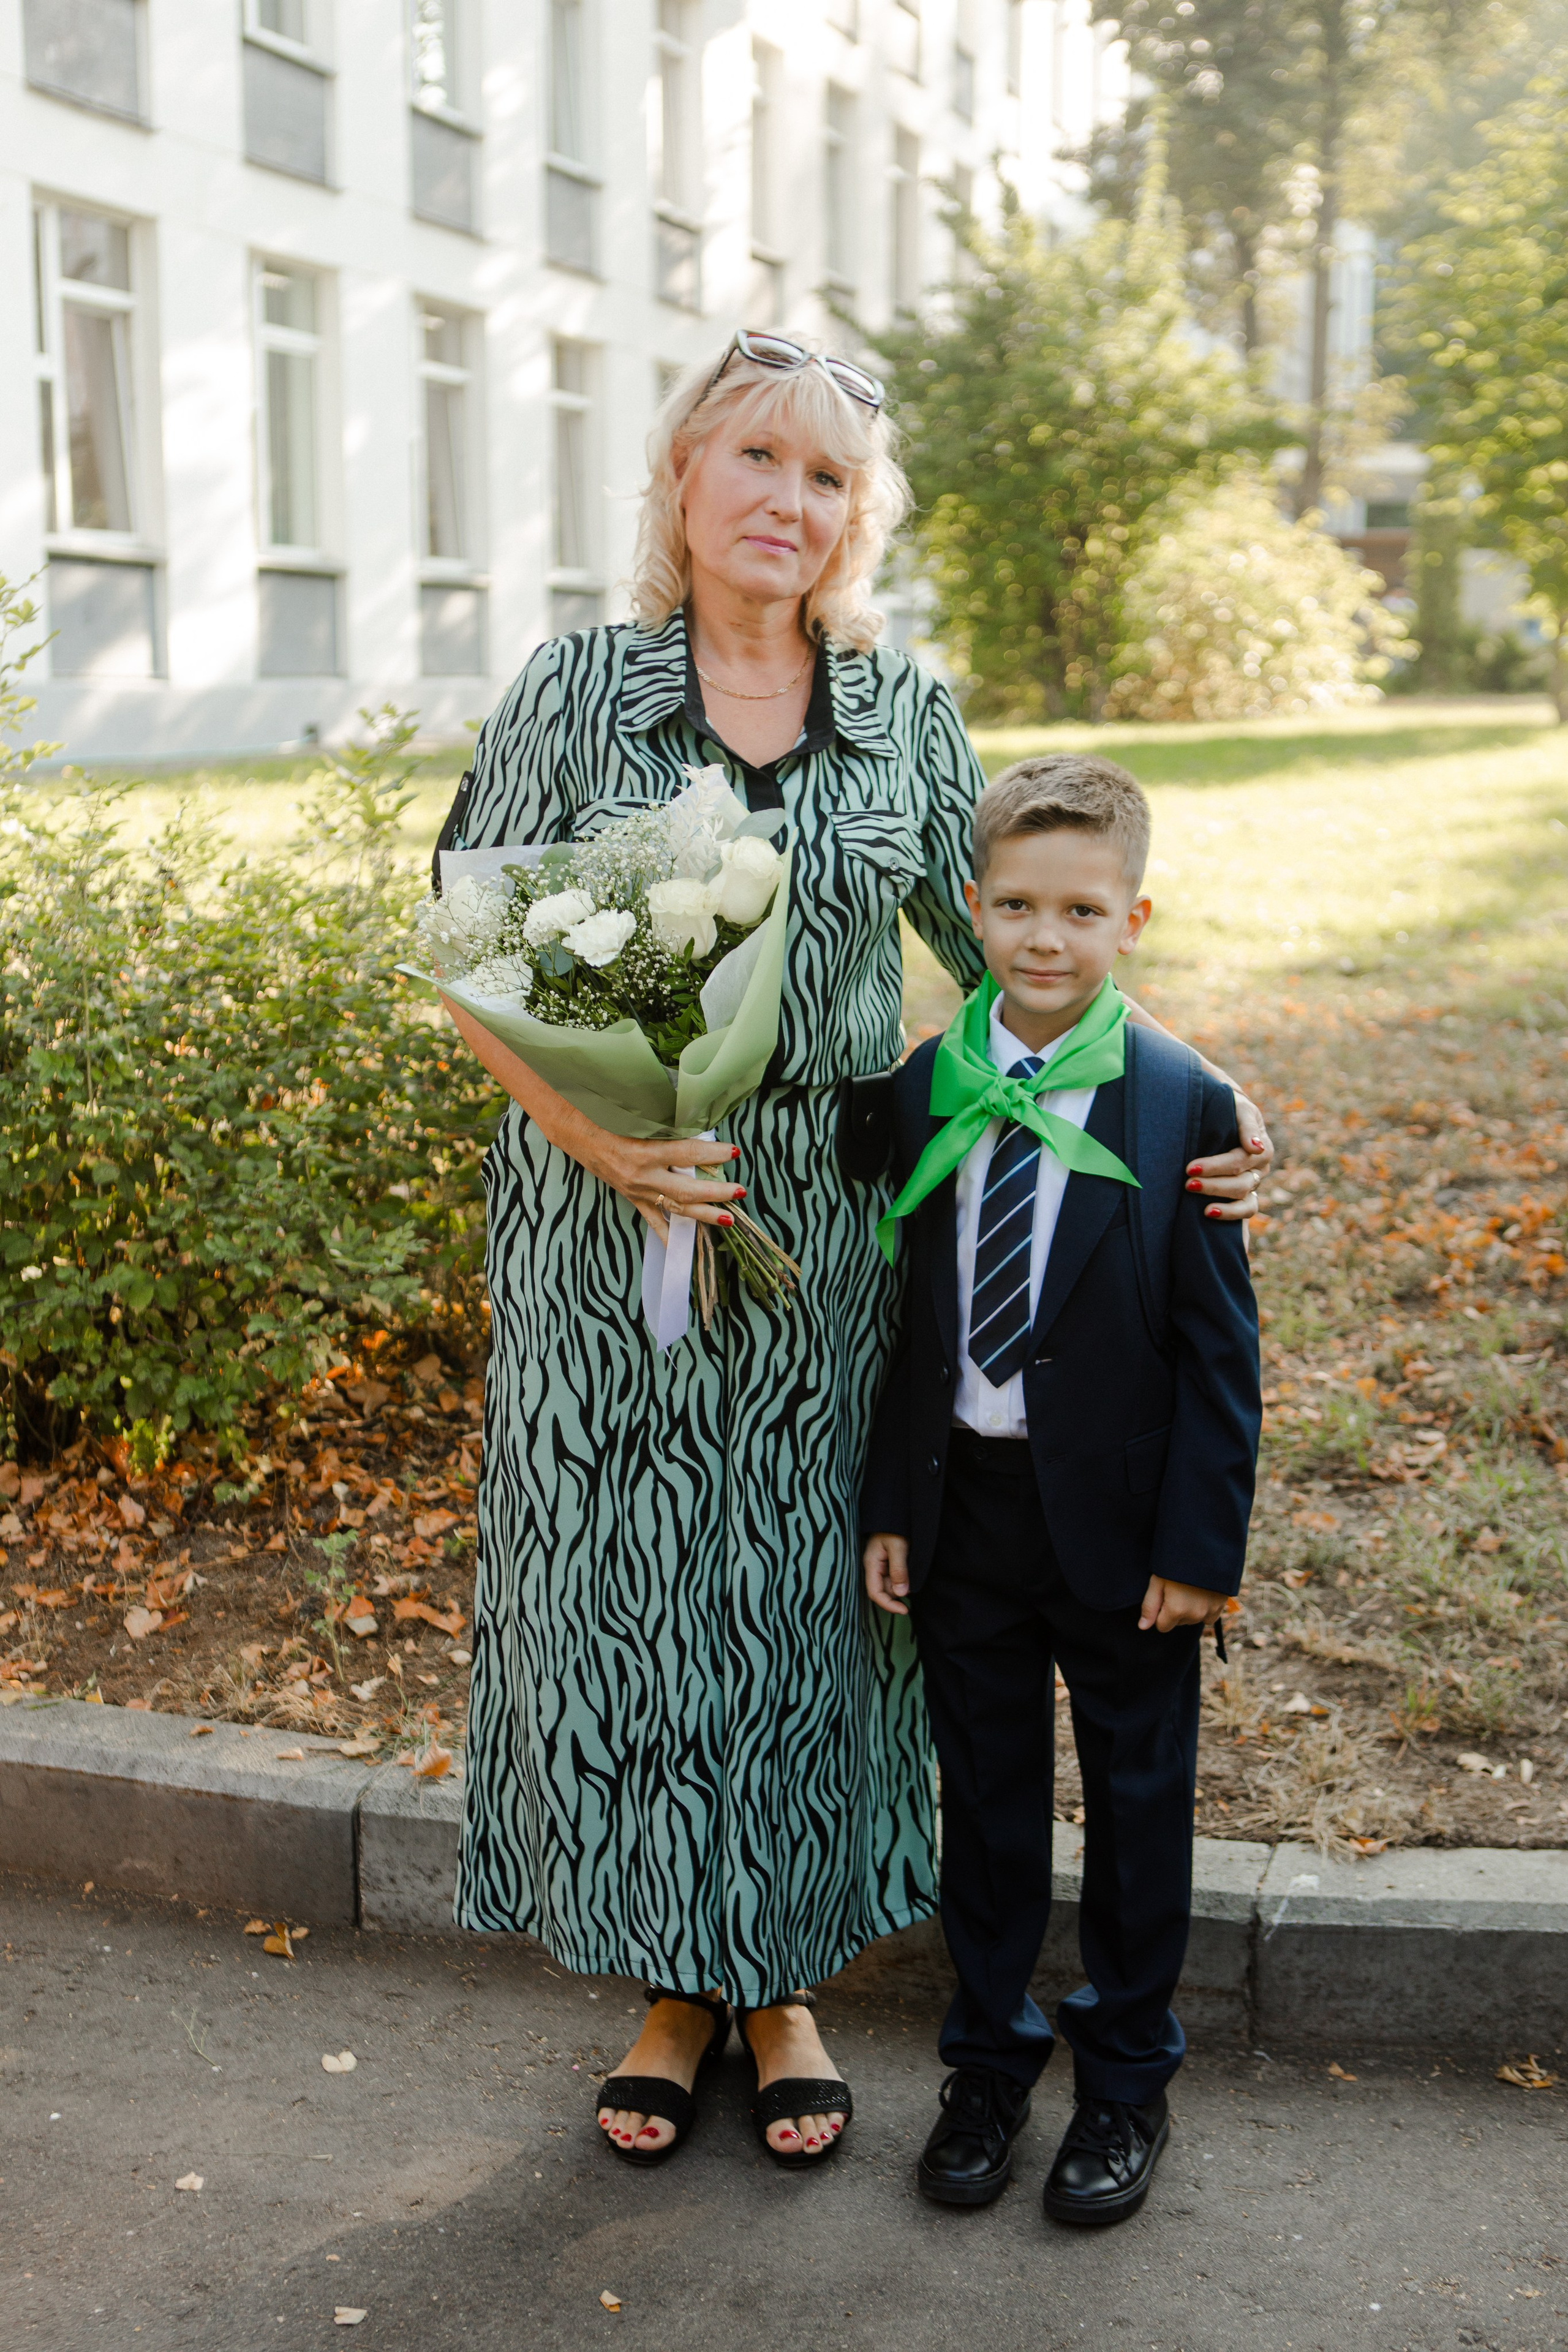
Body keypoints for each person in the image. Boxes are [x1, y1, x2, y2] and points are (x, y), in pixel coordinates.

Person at [436, 333, 1271, 2173]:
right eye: (754, 458)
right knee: (637, 1599)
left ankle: (787, 1978)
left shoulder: (903, 712)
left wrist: (1193, 1101)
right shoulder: (574, 691)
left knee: (813, 1601)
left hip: (832, 1219)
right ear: (682, 482)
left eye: (825, 479)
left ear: (852, 519)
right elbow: (475, 956)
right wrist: (606, 1143)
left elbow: (1018, 971)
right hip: (609, 1222)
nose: (786, 503)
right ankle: (674, 1988)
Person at [861, 754, 1262, 2226]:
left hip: (1130, 1534)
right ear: (969, 910)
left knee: (1137, 1805)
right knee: (988, 1807)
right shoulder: (921, 1088)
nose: (1043, 935)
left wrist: (1201, 1547)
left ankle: (1125, 2081)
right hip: (963, 1505)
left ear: (1132, 919)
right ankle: (985, 2066)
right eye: (1015, 904)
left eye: (1078, 909)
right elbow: (901, 1317)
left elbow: (1222, 1357)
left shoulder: (1180, 1104)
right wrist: (889, 1504)